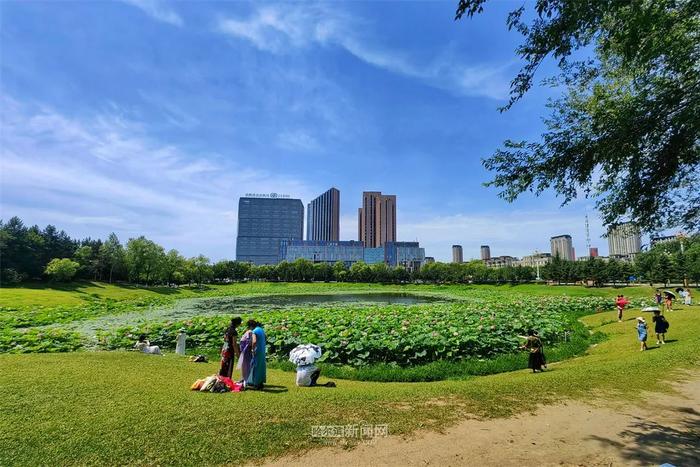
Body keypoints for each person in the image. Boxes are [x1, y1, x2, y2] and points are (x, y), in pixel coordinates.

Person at [246, 320, 267, 389]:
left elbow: (254, 341)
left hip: (257, 350)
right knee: (261, 366)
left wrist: (252, 349)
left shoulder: (254, 331)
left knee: (256, 366)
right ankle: (260, 383)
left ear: (251, 326)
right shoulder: (261, 329)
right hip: (262, 350)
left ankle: (256, 383)